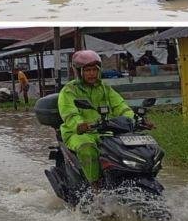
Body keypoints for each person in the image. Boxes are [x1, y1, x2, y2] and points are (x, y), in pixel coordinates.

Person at [58, 50, 150, 187]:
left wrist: (137, 119)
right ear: (79, 72)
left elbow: (120, 106)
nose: (92, 74)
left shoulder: (105, 89)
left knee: (134, 148)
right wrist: (80, 124)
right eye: (87, 70)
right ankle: (95, 186)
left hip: (105, 130)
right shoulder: (69, 90)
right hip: (79, 133)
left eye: (94, 70)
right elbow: (70, 113)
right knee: (87, 149)